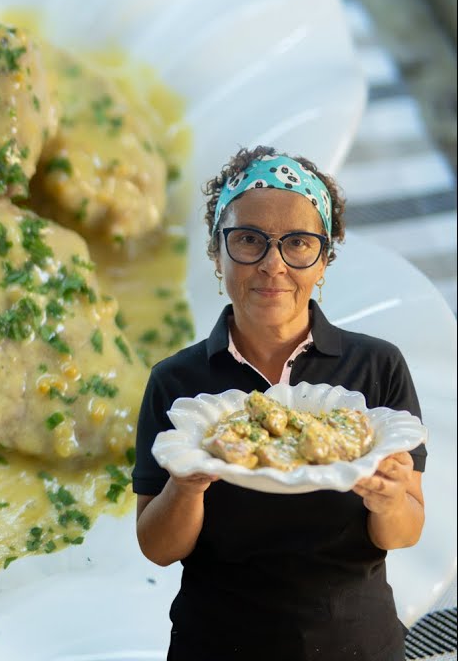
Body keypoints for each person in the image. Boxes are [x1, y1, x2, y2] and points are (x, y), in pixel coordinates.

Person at [132, 146, 427, 660]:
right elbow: (158, 549)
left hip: (356, 643)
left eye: (298, 244)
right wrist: (185, 486)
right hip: (217, 645)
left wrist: (388, 500)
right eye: (249, 239)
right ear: (217, 253)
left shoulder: (377, 367)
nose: (273, 264)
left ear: (324, 260)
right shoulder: (175, 382)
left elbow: (405, 532)